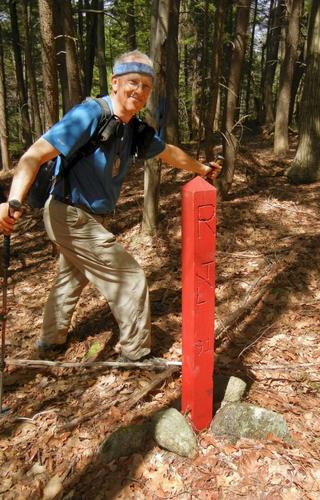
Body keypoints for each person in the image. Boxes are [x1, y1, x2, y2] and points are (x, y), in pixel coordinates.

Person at [0, 50, 221, 361]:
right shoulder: (89, 114)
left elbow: (168, 152)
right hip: (69, 213)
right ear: (115, 83)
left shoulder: (132, 128)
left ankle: (50, 341)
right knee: (129, 277)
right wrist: (11, 200)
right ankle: (137, 355)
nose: (139, 91)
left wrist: (201, 169)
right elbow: (33, 155)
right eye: (133, 82)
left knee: (71, 277)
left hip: (88, 217)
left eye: (146, 86)